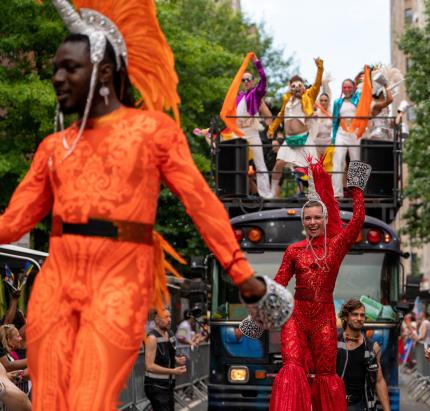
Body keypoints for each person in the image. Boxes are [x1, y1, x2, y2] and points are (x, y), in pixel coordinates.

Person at [0, 1, 292, 409]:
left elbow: (201, 204)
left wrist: (242, 275)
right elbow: (11, 223)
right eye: (55, 69)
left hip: (119, 280)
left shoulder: (153, 131)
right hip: (55, 287)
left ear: (103, 72)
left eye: (70, 68)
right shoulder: (53, 147)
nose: (57, 78)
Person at [241, 159, 371, 411]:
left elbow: (357, 220)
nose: (312, 222)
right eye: (307, 218)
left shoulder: (335, 246)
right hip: (296, 317)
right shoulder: (293, 251)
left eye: (317, 217)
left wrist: (356, 188)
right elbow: (278, 284)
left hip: (323, 318)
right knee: (291, 368)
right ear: (303, 222)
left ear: (324, 219)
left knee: (325, 375)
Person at [268, 58, 324, 197]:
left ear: (303, 87)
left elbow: (317, 85)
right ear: (290, 88)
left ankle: (315, 193)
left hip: (304, 138)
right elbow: (280, 115)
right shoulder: (287, 100)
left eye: (299, 85)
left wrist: (320, 69)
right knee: (279, 164)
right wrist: (271, 129)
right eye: (293, 86)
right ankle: (272, 191)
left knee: (312, 167)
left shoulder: (308, 97)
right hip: (289, 140)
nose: (296, 88)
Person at [336, 298, 391, 411]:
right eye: (355, 315)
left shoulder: (372, 347)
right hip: (334, 403)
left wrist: (387, 409)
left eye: (362, 315)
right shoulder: (334, 342)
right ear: (346, 317)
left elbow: (379, 381)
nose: (359, 318)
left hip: (360, 405)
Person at [234, 54, 273, 199]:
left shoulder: (255, 94)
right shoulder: (237, 96)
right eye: (243, 80)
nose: (246, 82)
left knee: (261, 164)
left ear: (252, 81)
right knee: (238, 165)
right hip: (239, 133)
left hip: (252, 132)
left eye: (248, 79)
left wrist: (257, 62)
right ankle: (244, 192)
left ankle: (266, 194)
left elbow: (264, 79)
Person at [331, 67, 372, 198]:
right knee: (338, 160)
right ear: (342, 89)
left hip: (355, 133)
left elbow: (367, 91)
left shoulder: (358, 98)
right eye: (345, 87)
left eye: (349, 87)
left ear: (353, 88)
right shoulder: (338, 102)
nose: (347, 89)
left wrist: (367, 75)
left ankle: (357, 192)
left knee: (356, 161)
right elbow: (335, 121)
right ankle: (337, 193)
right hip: (341, 132)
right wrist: (333, 137)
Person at [144, 309, 186, 411]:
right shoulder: (152, 338)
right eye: (166, 317)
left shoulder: (170, 334)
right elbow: (149, 366)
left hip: (168, 385)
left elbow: (165, 355)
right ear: (157, 320)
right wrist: (173, 371)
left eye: (170, 316)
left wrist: (177, 360)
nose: (170, 319)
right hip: (156, 386)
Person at [0, 325, 29, 396]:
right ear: (9, 339)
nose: (21, 338)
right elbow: (8, 366)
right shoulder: (6, 355)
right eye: (18, 336)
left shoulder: (11, 354)